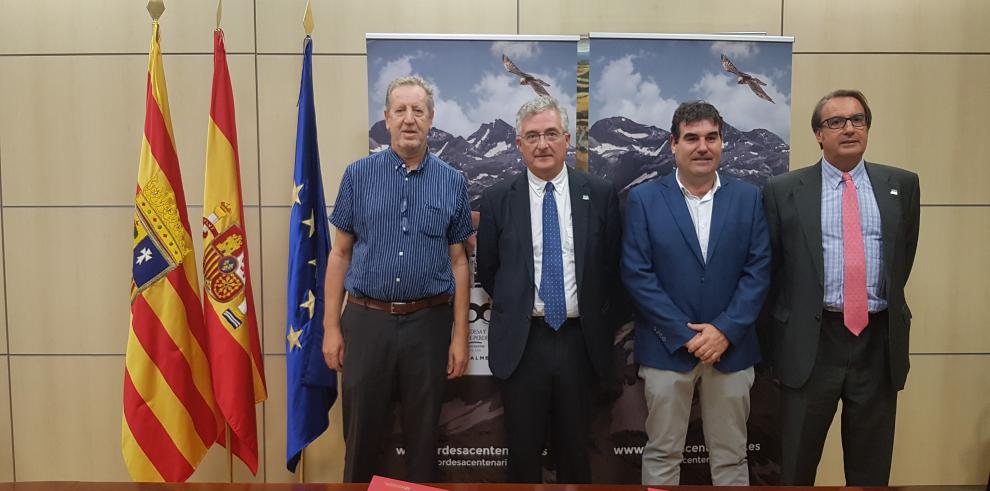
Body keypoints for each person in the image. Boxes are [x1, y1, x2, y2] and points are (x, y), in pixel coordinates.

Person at [762, 89, 920, 485]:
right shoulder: (783, 190)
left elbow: (904, 255)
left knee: (871, 467)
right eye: (836, 122)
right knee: (797, 464)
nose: (849, 128)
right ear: (818, 133)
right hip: (811, 343)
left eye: (858, 120)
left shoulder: (901, 185)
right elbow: (772, 269)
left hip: (878, 341)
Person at [322, 76, 474, 483]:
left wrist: (460, 335)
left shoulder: (453, 181)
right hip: (366, 322)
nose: (410, 119)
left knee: (423, 440)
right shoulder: (357, 176)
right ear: (387, 118)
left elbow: (460, 262)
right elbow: (339, 254)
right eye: (401, 111)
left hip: (428, 324)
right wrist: (331, 326)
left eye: (418, 111)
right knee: (361, 438)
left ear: (431, 120)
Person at [621, 101, 770, 485]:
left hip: (731, 349)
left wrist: (724, 331)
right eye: (691, 138)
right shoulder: (644, 199)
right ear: (673, 144)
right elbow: (637, 274)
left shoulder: (748, 197)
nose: (702, 147)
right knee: (662, 453)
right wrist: (687, 336)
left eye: (711, 137)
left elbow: (758, 271)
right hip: (667, 349)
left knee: (732, 457)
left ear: (722, 142)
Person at [476, 96, 622, 483]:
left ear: (568, 139)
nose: (543, 144)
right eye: (533, 136)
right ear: (519, 144)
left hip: (580, 342)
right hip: (523, 344)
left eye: (551, 134)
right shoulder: (496, 199)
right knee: (522, 455)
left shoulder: (600, 193)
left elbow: (611, 268)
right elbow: (490, 270)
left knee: (577, 452)